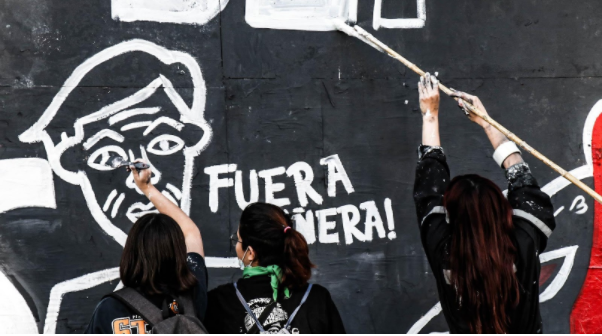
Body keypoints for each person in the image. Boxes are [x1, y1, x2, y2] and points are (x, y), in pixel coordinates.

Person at [414, 73, 555, 333]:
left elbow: (429, 188)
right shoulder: (523, 242)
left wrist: (430, 115)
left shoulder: (443, 252)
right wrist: (487, 124)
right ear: (501, 209)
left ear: (451, 217)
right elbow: (522, 181)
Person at [85, 160, 207, 334]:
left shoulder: (110, 309)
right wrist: (147, 187)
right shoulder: (192, 295)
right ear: (178, 252)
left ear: (131, 255)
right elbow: (190, 232)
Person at [205, 202, 346, 334]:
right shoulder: (317, 299)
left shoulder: (219, 302)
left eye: (237, 240)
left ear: (250, 253)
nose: (235, 246)